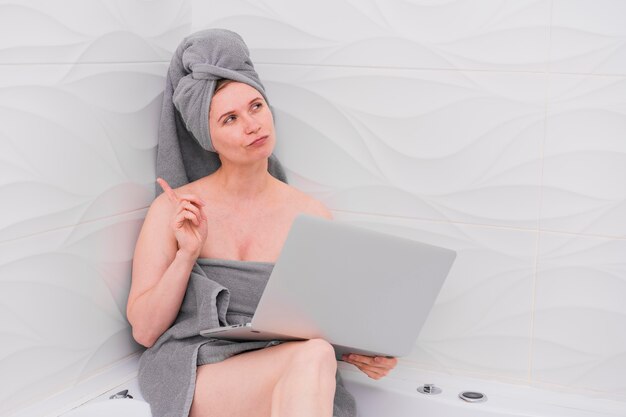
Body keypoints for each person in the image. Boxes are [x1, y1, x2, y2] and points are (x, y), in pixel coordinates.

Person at [126, 29, 397, 417]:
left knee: (318, 354)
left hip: (283, 364)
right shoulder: (174, 210)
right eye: (230, 119)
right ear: (208, 138)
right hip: (197, 369)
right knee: (315, 357)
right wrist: (186, 255)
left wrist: (360, 354)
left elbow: (321, 321)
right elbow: (146, 332)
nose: (252, 125)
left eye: (256, 107)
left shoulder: (311, 215)